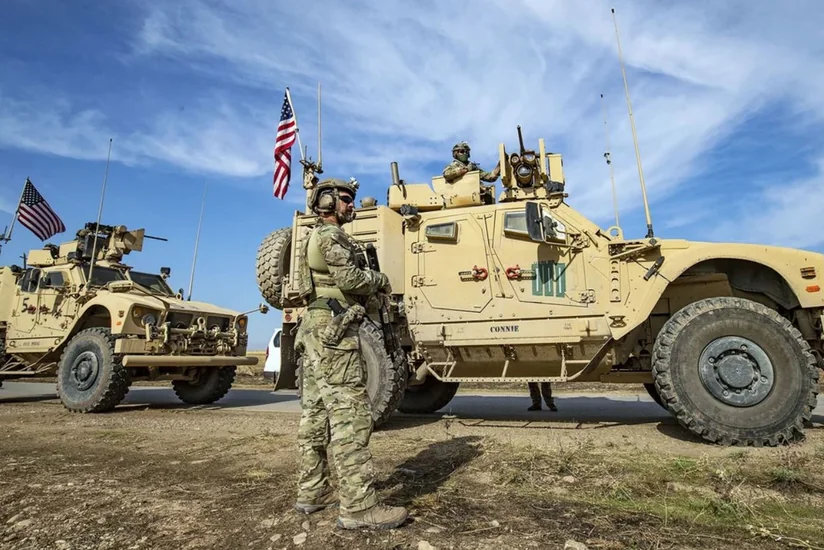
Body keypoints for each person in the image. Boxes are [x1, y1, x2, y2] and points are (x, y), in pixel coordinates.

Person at [292, 178, 408, 530]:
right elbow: (352, 281)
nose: (350, 205)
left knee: (316, 414)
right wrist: (380, 279)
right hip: (334, 329)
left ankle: (312, 492)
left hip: (316, 327)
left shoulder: (316, 237)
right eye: (344, 199)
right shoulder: (330, 236)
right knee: (352, 415)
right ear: (326, 201)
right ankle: (358, 507)